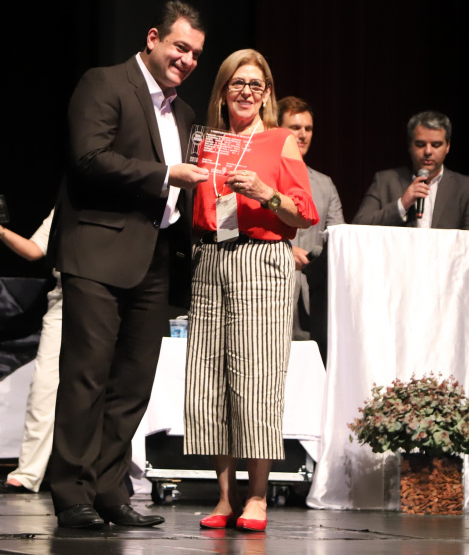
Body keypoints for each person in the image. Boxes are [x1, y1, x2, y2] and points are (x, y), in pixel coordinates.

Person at [49, 1, 208, 529]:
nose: (186, 60)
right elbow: (89, 159)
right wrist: (166, 174)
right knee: (86, 378)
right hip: (97, 253)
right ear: (153, 38)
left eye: (195, 55)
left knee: (133, 385)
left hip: (154, 260)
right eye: (179, 47)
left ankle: (110, 490)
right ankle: (71, 490)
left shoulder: (184, 115)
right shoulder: (106, 82)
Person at [184, 49, 319, 532]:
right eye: (237, 83)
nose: (246, 91)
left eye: (255, 85)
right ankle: (225, 497)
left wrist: (267, 193)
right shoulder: (207, 142)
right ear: (222, 89)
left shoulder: (281, 141)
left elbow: (304, 213)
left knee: (257, 381)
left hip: (262, 261)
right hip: (211, 259)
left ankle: (258, 496)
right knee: (210, 380)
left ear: (267, 94)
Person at [0, 210, 60, 495]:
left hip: (113, 300)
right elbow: (34, 250)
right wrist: (0, 231)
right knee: (44, 388)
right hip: (66, 300)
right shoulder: (68, 203)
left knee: (108, 391)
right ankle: (28, 473)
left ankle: (113, 476)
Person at [352, 110, 469, 245]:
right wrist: (402, 205)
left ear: (447, 146)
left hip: (445, 265)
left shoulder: (467, 187)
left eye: (436, 145)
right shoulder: (385, 181)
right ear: (410, 145)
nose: (428, 151)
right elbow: (358, 226)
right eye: (420, 144)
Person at [278, 96, 344, 363]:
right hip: (273, 289)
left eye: (308, 128)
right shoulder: (266, 177)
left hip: (315, 296)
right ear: (277, 129)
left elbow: (338, 237)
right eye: (295, 127)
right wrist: (284, 251)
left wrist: (316, 254)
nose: (303, 134)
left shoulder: (325, 184)